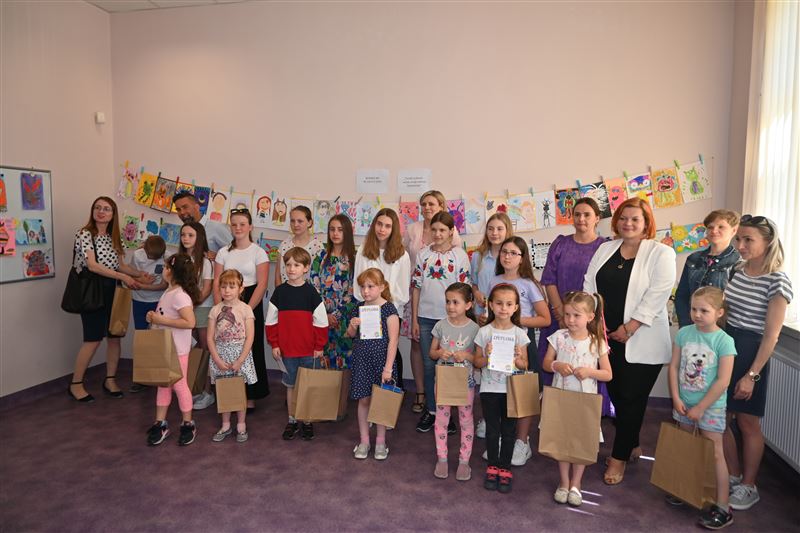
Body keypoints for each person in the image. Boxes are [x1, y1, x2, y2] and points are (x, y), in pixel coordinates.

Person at [583, 197, 676, 485]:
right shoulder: (605, 249)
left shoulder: (661, 253)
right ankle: (632, 443)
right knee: (618, 397)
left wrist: (630, 327)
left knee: (631, 399)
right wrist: (594, 323)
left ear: (646, 223)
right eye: (623, 218)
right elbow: (589, 285)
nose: (628, 223)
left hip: (641, 339)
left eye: (635, 219)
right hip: (607, 338)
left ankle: (619, 457)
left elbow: (658, 294)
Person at [723, 215, 792, 511]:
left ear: (768, 241)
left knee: (747, 421)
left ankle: (749, 486)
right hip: (727, 347)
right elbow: (726, 313)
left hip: (753, 352)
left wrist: (751, 375)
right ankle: (733, 475)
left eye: (748, 240)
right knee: (720, 417)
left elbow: (771, 335)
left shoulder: (778, 281)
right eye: (739, 239)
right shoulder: (737, 270)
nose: (740, 245)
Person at [67, 197, 151, 402]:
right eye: (97, 207)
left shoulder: (114, 237)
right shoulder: (84, 233)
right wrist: (124, 277)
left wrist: (139, 275)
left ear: (113, 214)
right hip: (92, 291)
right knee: (93, 339)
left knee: (114, 336)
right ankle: (76, 384)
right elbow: (93, 265)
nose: (101, 212)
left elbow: (121, 265)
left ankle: (110, 380)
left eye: (106, 209)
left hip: (112, 290)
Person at [667, 287, 736, 529]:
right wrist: (676, 397)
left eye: (704, 310)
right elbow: (674, 367)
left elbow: (723, 381)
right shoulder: (684, 334)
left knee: (715, 452)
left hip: (711, 407)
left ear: (719, 312)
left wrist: (701, 407)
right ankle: (687, 488)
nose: (697, 314)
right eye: (693, 309)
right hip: (684, 402)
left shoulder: (724, 341)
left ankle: (723, 506)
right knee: (688, 447)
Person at [536, 198, 611, 416]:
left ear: (597, 218)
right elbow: (549, 279)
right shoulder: (560, 244)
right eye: (577, 214)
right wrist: (561, 314)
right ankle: (555, 417)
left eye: (587, 214)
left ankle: (586, 418)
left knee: (587, 366)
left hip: (589, 320)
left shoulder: (605, 247)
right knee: (556, 365)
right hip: (560, 316)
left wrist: (584, 317)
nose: (581, 219)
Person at [542, 291, 612, 508]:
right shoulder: (558, 337)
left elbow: (608, 374)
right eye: (567, 314)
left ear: (590, 317)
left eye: (576, 315)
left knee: (581, 440)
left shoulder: (597, 342)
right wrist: (557, 365)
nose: (571, 320)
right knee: (562, 438)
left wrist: (590, 372)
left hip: (585, 401)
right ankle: (564, 482)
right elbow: (546, 363)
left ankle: (576, 483)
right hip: (561, 398)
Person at [489, 236, 551, 466]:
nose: (507, 256)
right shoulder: (494, 280)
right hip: (499, 344)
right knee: (501, 392)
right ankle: (504, 439)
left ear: (522, 258)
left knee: (524, 394)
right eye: (504, 252)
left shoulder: (529, 284)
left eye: (513, 253)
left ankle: (522, 442)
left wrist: (516, 320)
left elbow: (545, 319)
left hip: (522, 345)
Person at [402, 190, 462, 414]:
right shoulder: (420, 246)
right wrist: (415, 318)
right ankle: (429, 405)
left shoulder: (457, 251)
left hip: (448, 313)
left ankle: (448, 410)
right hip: (423, 309)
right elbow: (414, 281)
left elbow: (461, 285)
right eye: (423, 204)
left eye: (431, 204)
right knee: (426, 360)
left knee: (448, 361)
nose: (427, 207)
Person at [411, 211, 471, 433]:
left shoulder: (459, 256)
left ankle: (449, 414)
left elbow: (464, 291)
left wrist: (459, 319)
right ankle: (433, 410)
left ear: (451, 231)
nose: (437, 234)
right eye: (434, 230)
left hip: (450, 321)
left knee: (449, 367)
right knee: (429, 366)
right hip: (426, 318)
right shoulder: (423, 255)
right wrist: (415, 319)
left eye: (442, 230)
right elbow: (416, 288)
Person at [265, 247, 328, 442]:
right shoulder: (279, 293)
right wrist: (275, 344)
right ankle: (292, 420)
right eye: (288, 265)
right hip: (287, 351)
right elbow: (271, 322)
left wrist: (319, 346)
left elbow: (321, 322)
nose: (291, 269)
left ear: (306, 268)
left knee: (307, 387)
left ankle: (307, 421)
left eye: (296, 265)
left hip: (309, 351)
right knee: (291, 386)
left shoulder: (312, 293)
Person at [473, 284, 530, 494]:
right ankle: (492, 466)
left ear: (516, 307)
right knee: (492, 430)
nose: (503, 308)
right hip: (489, 389)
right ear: (490, 305)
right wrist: (487, 356)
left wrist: (518, 358)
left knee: (508, 431)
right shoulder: (484, 332)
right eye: (499, 303)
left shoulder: (520, 334)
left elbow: (525, 365)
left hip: (511, 390)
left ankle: (505, 467)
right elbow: (477, 362)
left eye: (508, 304)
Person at [214, 209, 270, 406]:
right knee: (227, 348)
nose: (238, 228)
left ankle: (251, 396)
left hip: (250, 303)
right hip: (226, 304)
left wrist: (245, 311)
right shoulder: (223, 252)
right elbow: (217, 282)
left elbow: (262, 284)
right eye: (234, 224)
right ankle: (229, 394)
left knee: (250, 348)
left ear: (250, 227)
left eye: (242, 224)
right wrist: (219, 309)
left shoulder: (259, 252)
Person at [144, 253, 201, 446]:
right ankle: (160, 423)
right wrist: (154, 318)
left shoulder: (180, 296)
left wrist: (161, 319)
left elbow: (190, 322)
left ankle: (188, 424)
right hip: (165, 348)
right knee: (163, 385)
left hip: (178, 350)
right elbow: (164, 316)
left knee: (179, 385)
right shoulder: (169, 292)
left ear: (174, 273)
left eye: (167, 267)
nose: (164, 270)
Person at [346, 268, 400, 460]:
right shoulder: (359, 307)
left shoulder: (389, 309)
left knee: (380, 402)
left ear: (382, 287)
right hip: (362, 361)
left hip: (382, 363)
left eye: (371, 286)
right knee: (363, 400)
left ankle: (380, 442)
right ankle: (364, 441)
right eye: (363, 287)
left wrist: (388, 368)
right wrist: (352, 325)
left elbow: (393, 341)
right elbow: (350, 335)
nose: (366, 291)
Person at [353, 208, 411, 386]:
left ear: (394, 229)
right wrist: (369, 303)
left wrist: (385, 305)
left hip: (390, 311)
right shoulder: (363, 250)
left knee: (390, 350)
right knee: (368, 351)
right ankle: (368, 389)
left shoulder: (402, 255)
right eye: (379, 224)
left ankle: (393, 389)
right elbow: (357, 284)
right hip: (367, 309)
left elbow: (402, 290)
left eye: (387, 226)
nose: (382, 229)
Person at [470, 212, 514, 439]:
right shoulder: (478, 257)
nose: (494, 233)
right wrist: (476, 293)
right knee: (485, 368)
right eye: (490, 228)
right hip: (483, 319)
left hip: (504, 321)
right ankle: (487, 419)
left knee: (503, 370)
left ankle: (504, 418)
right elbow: (473, 283)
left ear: (507, 231)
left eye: (499, 229)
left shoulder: (510, 256)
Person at [429, 282, 480, 481]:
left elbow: (479, 359)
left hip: (465, 383)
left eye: (455, 302)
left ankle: (464, 461)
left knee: (466, 421)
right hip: (443, 382)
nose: (450, 306)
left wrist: (466, 356)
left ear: (468, 305)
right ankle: (441, 458)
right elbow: (432, 353)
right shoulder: (440, 326)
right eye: (448, 301)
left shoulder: (475, 329)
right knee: (441, 420)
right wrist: (440, 353)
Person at [208, 269, 257, 443]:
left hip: (240, 355)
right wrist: (217, 359)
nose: (227, 290)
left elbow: (250, 337)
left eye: (231, 286)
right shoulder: (215, 310)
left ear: (241, 288)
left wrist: (240, 360)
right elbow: (210, 338)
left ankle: (241, 424)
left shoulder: (246, 309)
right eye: (223, 287)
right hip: (221, 355)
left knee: (239, 391)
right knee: (224, 390)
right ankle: (226, 424)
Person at [675, 210, 741, 327]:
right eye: (710, 227)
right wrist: (686, 326)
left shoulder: (739, 261)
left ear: (734, 230)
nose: (714, 231)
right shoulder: (693, 258)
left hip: (722, 330)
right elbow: (682, 295)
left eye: (721, 227)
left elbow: (737, 303)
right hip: (692, 326)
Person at [309, 214, 357, 369]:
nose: (335, 233)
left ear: (347, 232)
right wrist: (325, 314)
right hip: (322, 317)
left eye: (340, 230)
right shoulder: (321, 256)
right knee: (324, 361)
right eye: (332, 229)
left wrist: (336, 315)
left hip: (345, 318)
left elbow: (354, 291)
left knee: (345, 363)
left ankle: (343, 388)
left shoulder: (354, 258)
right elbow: (314, 286)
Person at [179, 222, 216, 409]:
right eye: (183, 235)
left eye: (190, 235)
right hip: (183, 310)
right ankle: (194, 388)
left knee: (205, 349)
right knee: (189, 349)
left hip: (202, 308)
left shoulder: (205, 261)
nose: (186, 238)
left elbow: (207, 289)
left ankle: (207, 392)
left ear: (199, 237)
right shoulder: (178, 260)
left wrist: (190, 305)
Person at [128, 235, 168, 393]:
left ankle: (159, 375)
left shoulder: (167, 258)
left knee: (158, 338)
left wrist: (145, 286)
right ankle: (141, 377)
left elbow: (164, 285)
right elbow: (130, 276)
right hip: (139, 300)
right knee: (141, 338)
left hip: (158, 301)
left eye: (156, 257)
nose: (152, 259)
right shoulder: (137, 255)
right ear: (144, 249)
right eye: (150, 256)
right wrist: (141, 282)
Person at [172, 190, 232, 258]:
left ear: (197, 207)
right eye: (178, 209)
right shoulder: (184, 231)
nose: (182, 212)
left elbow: (236, 254)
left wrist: (217, 257)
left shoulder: (217, 227)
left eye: (185, 207)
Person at [275, 205, 324, 285]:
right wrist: (280, 292)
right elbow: (278, 276)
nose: (295, 224)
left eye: (300, 221)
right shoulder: (284, 245)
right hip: (285, 291)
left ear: (309, 222)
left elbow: (321, 276)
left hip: (309, 292)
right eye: (292, 221)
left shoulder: (318, 247)